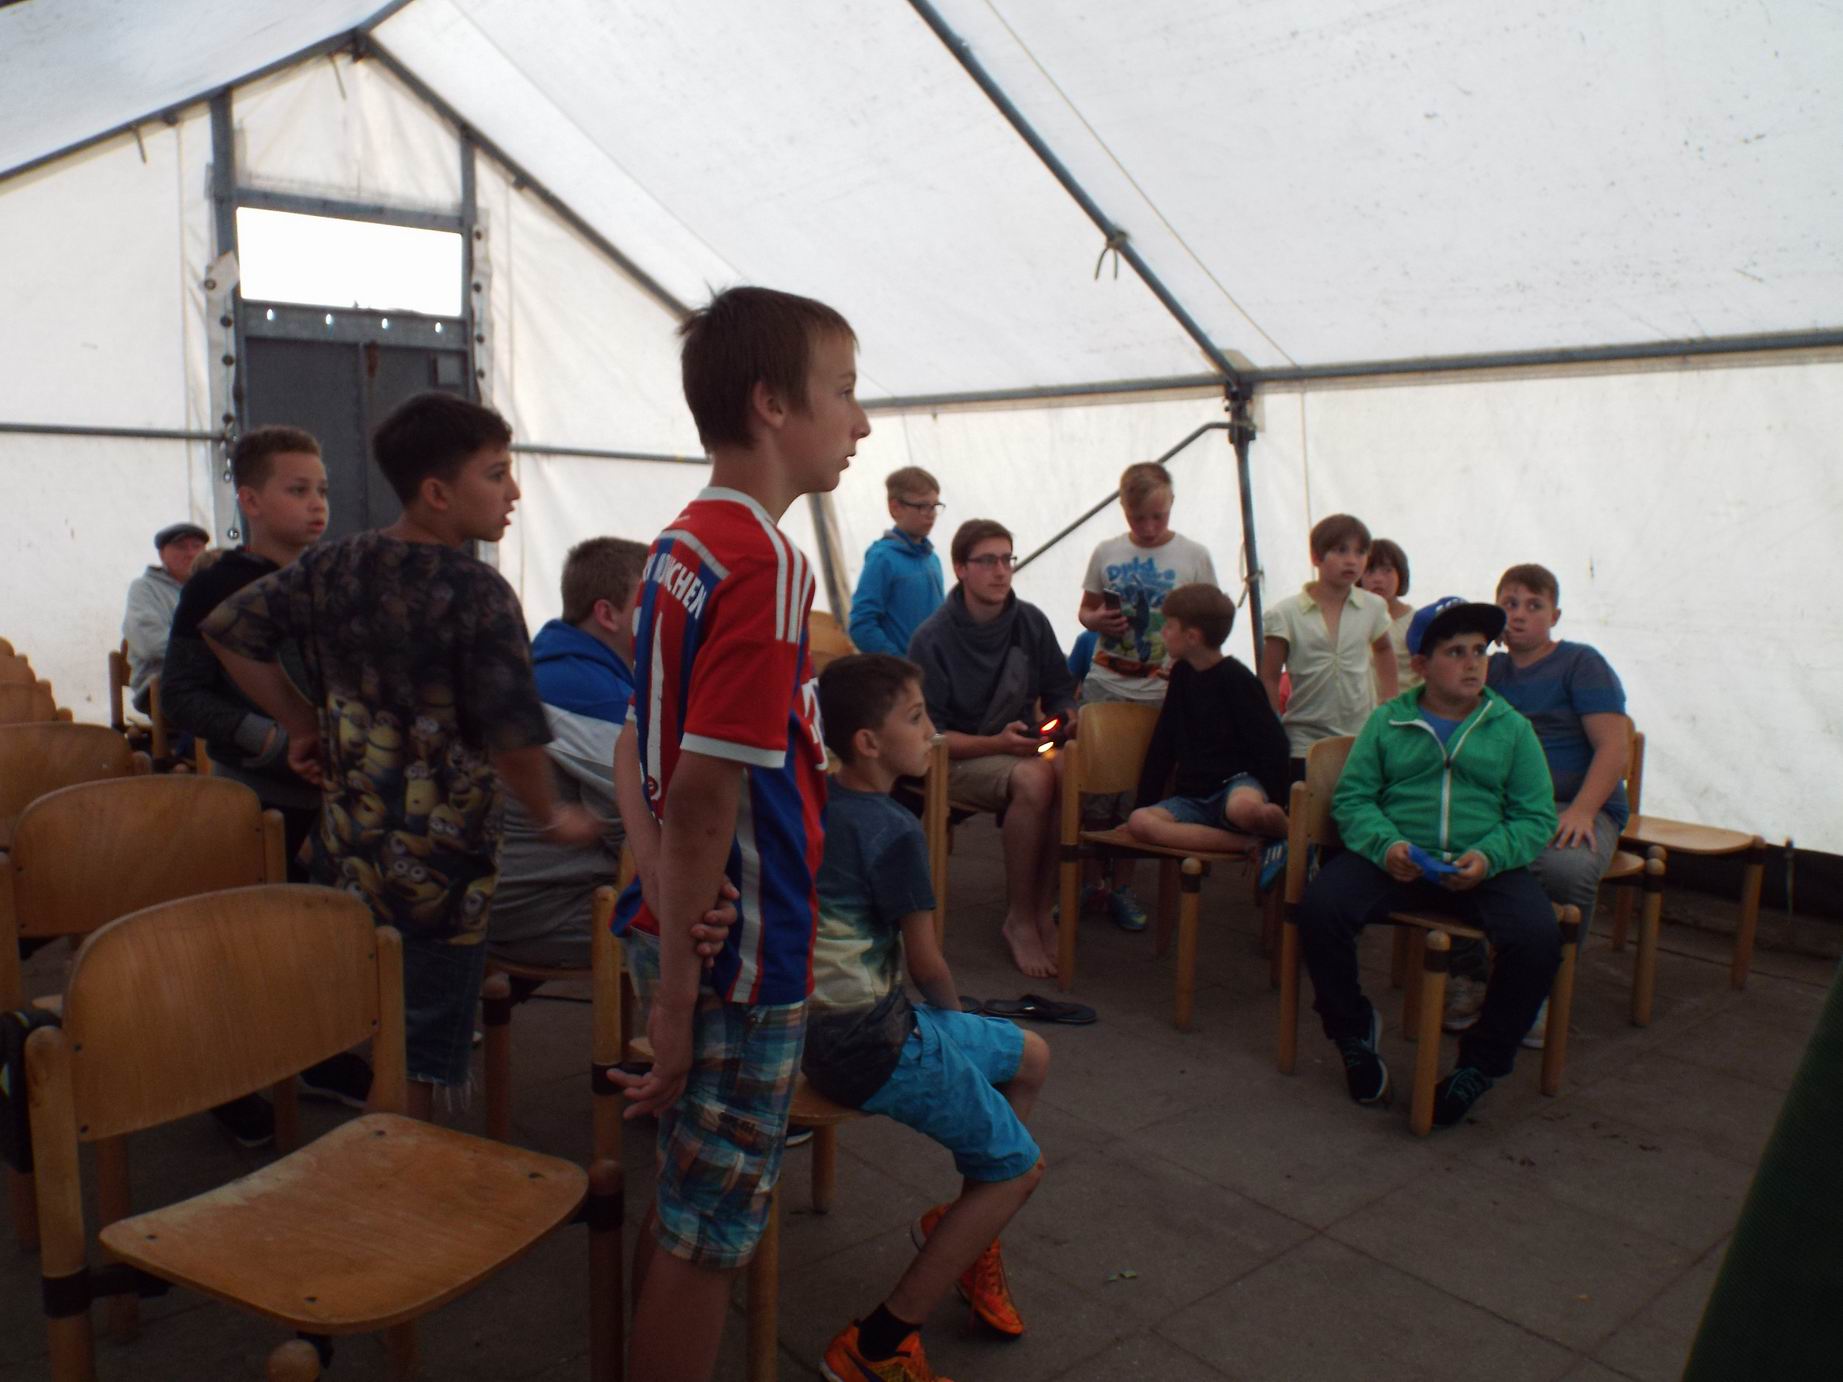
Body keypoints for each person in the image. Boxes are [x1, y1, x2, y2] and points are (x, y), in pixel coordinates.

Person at [203, 392, 599, 1123]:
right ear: (437, 492)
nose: (513, 492)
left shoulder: (334, 564)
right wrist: (552, 814)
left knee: (374, 1025)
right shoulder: (478, 593)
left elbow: (228, 629)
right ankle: (394, 1175)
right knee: (419, 1056)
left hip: (348, 854)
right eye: (497, 474)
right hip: (443, 879)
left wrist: (300, 722)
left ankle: (374, 1154)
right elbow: (512, 734)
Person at [607, 286, 869, 1382]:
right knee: (709, 1233)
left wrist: (663, 888)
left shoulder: (680, 543)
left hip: (687, 925)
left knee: (686, 1197)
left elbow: (635, 744)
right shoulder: (765, 565)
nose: (860, 423)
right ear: (771, 402)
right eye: (843, 392)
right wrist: (677, 992)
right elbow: (706, 790)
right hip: (740, 956)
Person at [809, 654, 1049, 1381]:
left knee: (1030, 1055)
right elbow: (927, 964)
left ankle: (967, 1239)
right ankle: (877, 1346)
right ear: (868, 743)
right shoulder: (894, 831)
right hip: (872, 1043)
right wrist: (952, 1024)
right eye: (915, 719)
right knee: (1017, 1170)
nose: (932, 731)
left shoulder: (817, 801)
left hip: (819, 1031)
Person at [160, 426, 370, 1143]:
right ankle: (230, 1077)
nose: (317, 505)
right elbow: (179, 696)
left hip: (333, 793)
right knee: (249, 947)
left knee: (321, 939)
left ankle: (315, 1054)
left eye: (323, 491)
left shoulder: (332, 578)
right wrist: (274, 741)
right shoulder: (216, 587)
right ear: (249, 500)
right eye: (297, 490)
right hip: (256, 795)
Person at [1295, 596, 1559, 1128]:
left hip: (1481, 866)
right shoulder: (1387, 721)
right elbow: (1354, 800)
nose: (1473, 663)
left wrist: (1488, 856)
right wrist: (1387, 846)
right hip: (1397, 859)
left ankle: (1481, 1065)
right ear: (1421, 664)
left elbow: (1535, 816)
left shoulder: (1511, 728)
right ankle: (1353, 1033)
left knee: (1538, 937)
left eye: (1480, 651)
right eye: (1455, 652)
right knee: (1321, 907)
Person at [1443, 562, 1631, 1042]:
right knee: (1447, 849)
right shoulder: (1489, 670)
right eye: (1509, 604)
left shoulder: (1581, 663)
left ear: (1555, 615)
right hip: (1507, 807)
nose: (1520, 614)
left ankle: (1540, 989)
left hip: (1575, 803)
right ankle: (1470, 975)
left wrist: (1583, 810)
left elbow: (1614, 747)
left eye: (1534, 605)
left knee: (1566, 868)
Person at [908, 518, 1077, 980]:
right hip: (953, 757)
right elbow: (928, 736)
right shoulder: (932, 639)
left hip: (1017, 747)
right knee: (1036, 778)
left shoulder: (1030, 622)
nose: (1001, 571)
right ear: (961, 568)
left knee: (1067, 772)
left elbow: (1060, 687)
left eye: (1007, 559)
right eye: (987, 561)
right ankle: (1019, 918)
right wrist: (996, 743)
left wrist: (1066, 715)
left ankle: (1041, 908)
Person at [488, 537, 648, 969]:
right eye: (652, 603)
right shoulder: (589, 695)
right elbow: (641, 824)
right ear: (607, 614)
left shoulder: (553, 663)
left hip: (505, 897)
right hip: (536, 914)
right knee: (720, 940)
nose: (667, 616)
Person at [1074, 461, 1218, 930]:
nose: (1150, 528)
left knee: (1141, 792)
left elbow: (1211, 619)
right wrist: (1097, 621)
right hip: (1106, 682)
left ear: (1171, 503)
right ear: (1123, 509)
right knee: (1094, 791)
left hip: (1161, 690)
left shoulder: (1193, 556)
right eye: (1139, 518)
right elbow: (1085, 610)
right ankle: (1090, 882)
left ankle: (1122, 885)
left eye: (1158, 516)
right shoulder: (1106, 551)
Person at [1125, 583, 1290, 854]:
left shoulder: (1238, 679)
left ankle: (1271, 820)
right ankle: (1248, 844)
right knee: (1140, 822)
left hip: (1237, 783)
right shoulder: (1181, 675)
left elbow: (1273, 744)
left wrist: (1278, 797)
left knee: (1242, 808)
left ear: (1192, 637)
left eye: (1169, 626)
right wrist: (1145, 802)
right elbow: (1163, 743)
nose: (1163, 632)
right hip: (1193, 797)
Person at [1261, 512, 1398, 779]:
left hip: (1361, 735)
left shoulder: (1373, 606)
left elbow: (1384, 648)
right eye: (1340, 550)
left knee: (1359, 799)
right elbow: (1269, 675)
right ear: (1316, 557)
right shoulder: (1286, 612)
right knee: (1307, 802)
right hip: (1304, 739)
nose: (1352, 560)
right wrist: (1272, 723)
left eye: (1360, 552)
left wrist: (1390, 701)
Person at [849, 465, 945, 656]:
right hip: (904, 671)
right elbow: (862, 625)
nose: (931, 514)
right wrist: (899, 664)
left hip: (935, 669)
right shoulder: (883, 559)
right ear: (895, 508)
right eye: (922, 506)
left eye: (935, 506)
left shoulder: (932, 559)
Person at [123, 521, 208, 710]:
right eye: (181, 547)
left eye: (196, 546)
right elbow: (151, 644)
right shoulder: (145, 589)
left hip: (211, 681)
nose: (190, 554)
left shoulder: (213, 588)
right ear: (162, 555)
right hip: (162, 687)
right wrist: (212, 657)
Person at [1361, 537, 1419, 695]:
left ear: (1401, 574)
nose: (1378, 579)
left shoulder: (1416, 622)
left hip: (1406, 706)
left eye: (1387, 571)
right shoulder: (1351, 620)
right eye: (1369, 571)